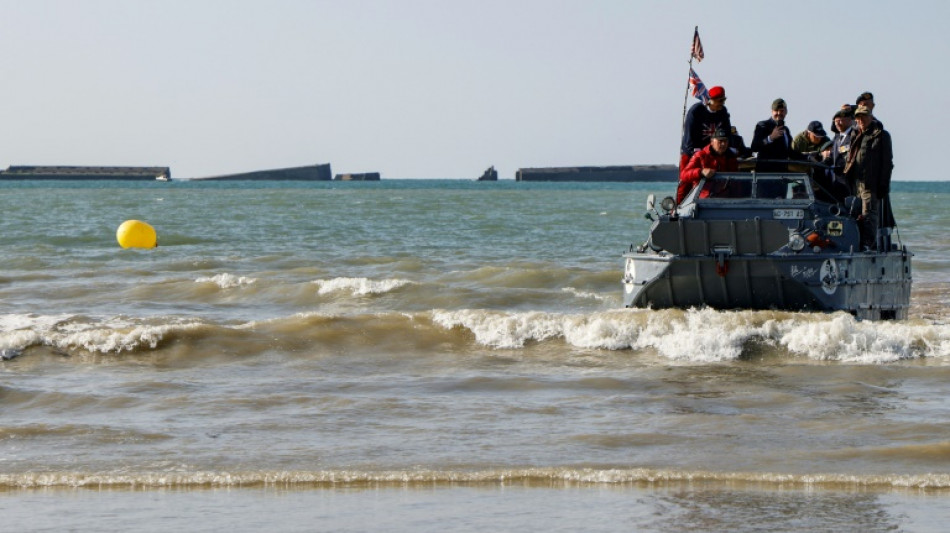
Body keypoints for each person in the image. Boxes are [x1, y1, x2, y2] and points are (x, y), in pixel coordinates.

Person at [844, 105, 894, 250]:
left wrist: (883, 185)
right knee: (856, 214)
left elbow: (887, 163)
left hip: (870, 184)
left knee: (869, 215)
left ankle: (868, 244)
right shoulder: (856, 134)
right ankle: (857, 242)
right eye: (858, 118)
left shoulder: (881, 135)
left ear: (871, 118)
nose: (861, 120)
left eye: (864, 117)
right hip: (856, 183)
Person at [676, 128, 739, 203]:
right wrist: (700, 172)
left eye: (725, 141)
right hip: (702, 199)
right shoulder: (700, 155)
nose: (723, 144)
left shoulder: (731, 158)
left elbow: (736, 181)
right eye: (720, 141)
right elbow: (684, 175)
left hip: (725, 200)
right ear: (712, 142)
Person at [680, 86, 732, 171]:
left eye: (724, 100)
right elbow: (688, 136)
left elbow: (727, 132)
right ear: (710, 100)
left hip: (714, 153)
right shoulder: (696, 111)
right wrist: (694, 153)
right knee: (687, 180)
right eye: (720, 101)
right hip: (693, 153)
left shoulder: (723, 112)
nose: (722, 103)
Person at [751, 98, 802, 172]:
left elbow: (790, 152)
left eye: (781, 111)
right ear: (772, 111)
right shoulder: (763, 126)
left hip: (781, 174)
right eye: (776, 111)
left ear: (786, 112)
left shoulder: (786, 130)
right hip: (765, 174)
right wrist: (770, 138)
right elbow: (754, 147)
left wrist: (808, 157)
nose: (779, 113)